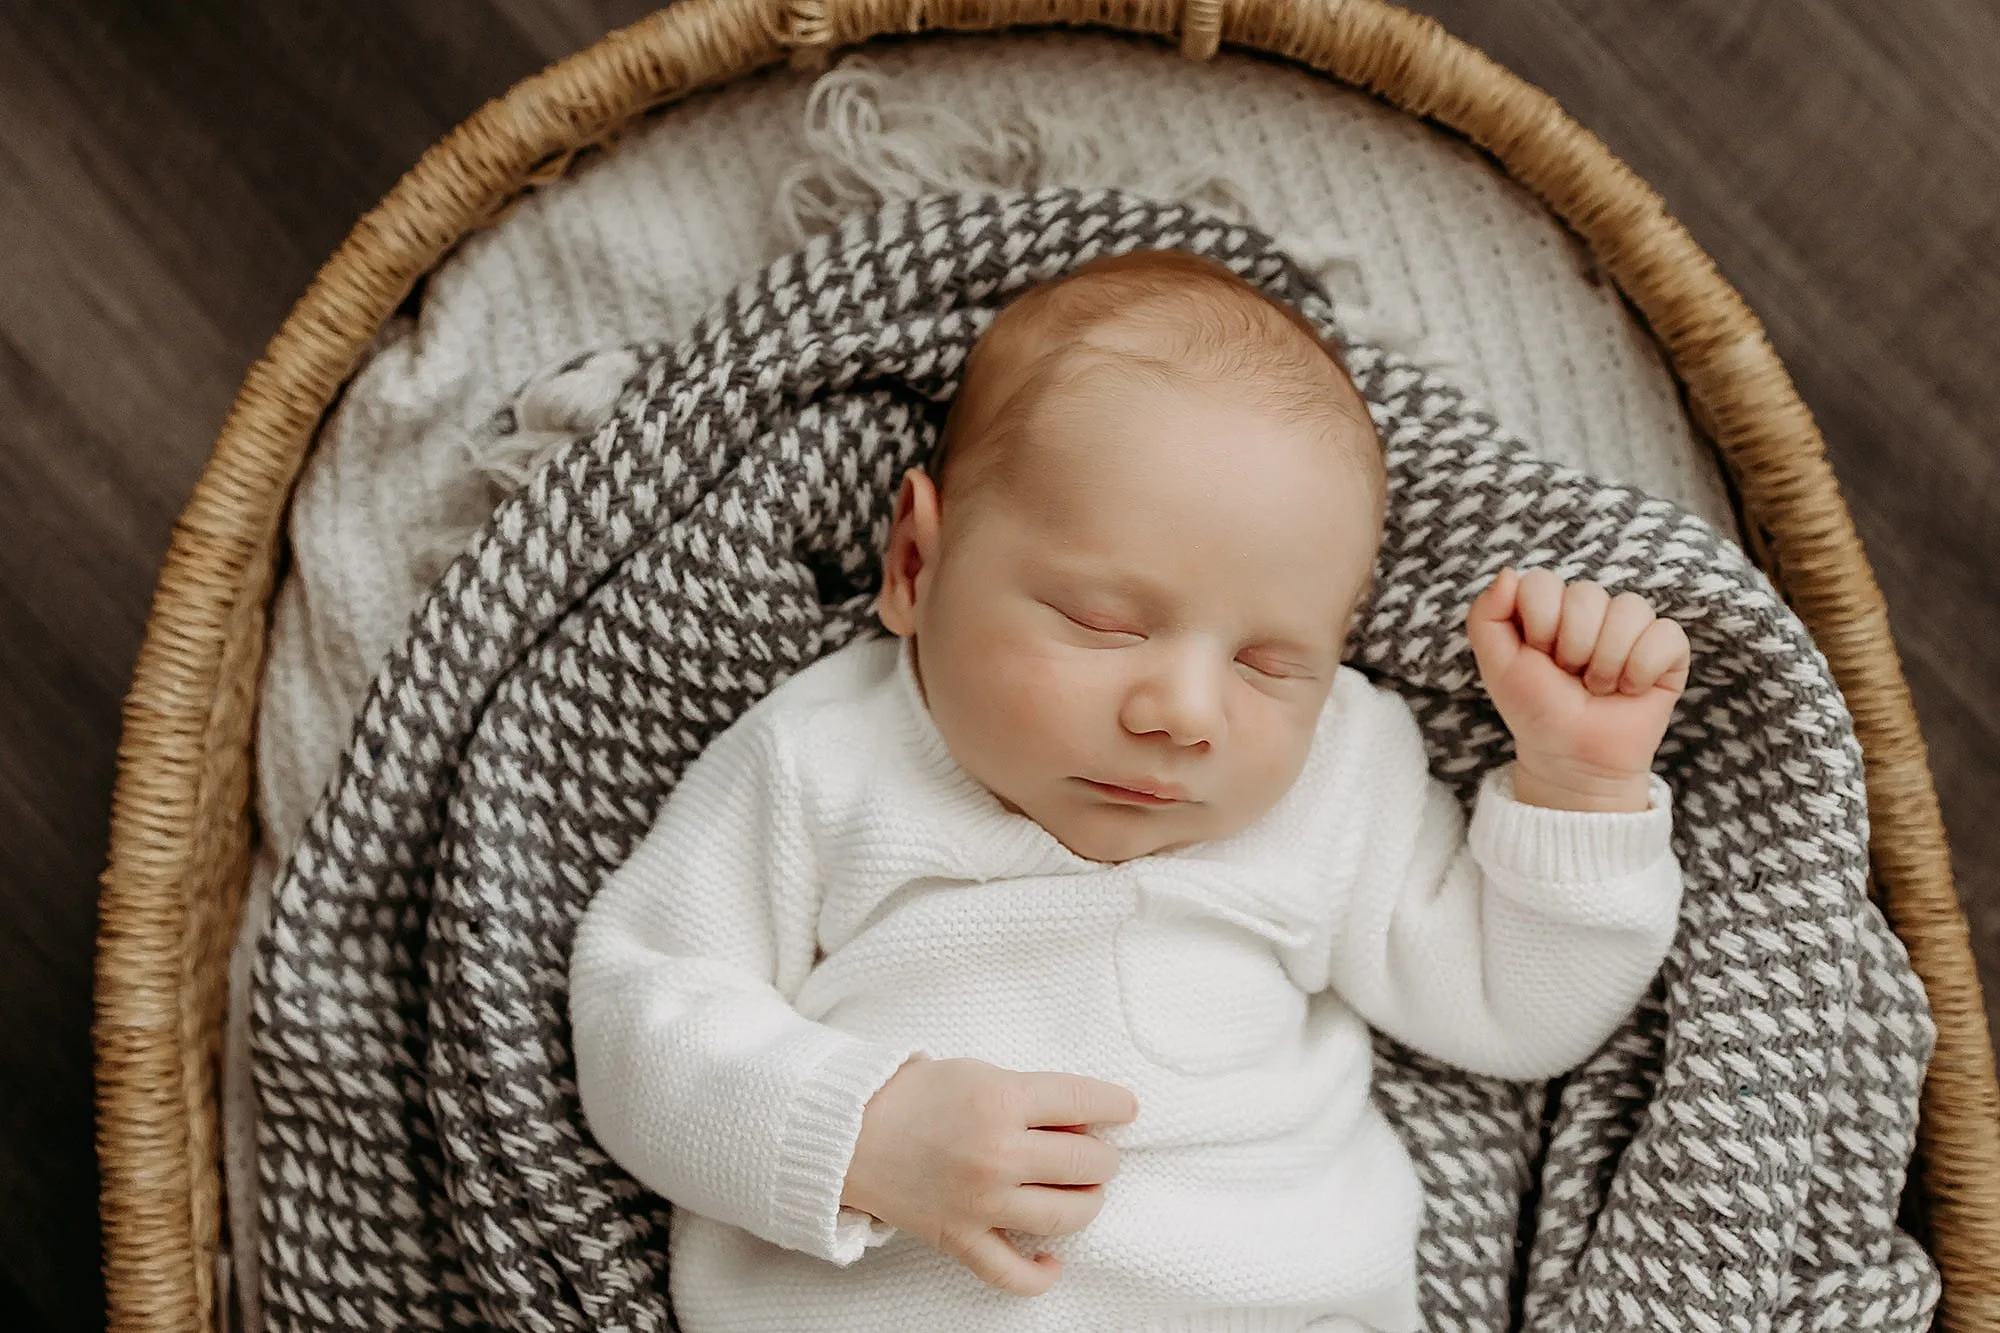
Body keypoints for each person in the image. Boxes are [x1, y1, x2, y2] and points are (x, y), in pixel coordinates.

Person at [568, 249, 1692, 1332]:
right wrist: (857, 1132)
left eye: (1269, 665)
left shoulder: (1336, 775)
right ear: (915, 565)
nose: (1185, 711)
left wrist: (1578, 785)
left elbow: (1511, 1007)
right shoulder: (823, 757)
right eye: (1103, 623)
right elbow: (640, 1017)